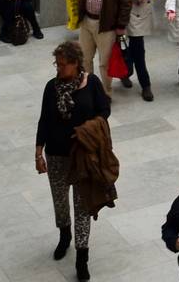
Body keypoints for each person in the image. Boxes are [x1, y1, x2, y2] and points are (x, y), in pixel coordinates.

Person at [35, 39, 111, 281]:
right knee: (60, 201)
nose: (58, 69)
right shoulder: (51, 87)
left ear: (76, 64)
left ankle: (82, 257)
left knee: (82, 206)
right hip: (56, 155)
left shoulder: (92, 84)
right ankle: (64, 235)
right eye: (56, 64)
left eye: (62, 65)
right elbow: (44, 120)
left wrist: (88, 129)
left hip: (82, 157)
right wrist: (38, 152)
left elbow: (104, 111)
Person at [74, 0, 131, 94]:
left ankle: (105, 93)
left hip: (106, 25)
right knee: (84, 59)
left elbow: (126, 2)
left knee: (104, 63)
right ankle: (87, 91)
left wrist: (121, 26)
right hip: (87, 21)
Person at [123, 0, 161, 101]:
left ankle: (126, 71)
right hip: (131, 13)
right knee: (138, 49)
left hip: (144, 11)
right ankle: (145, 85)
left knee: (134, 46)